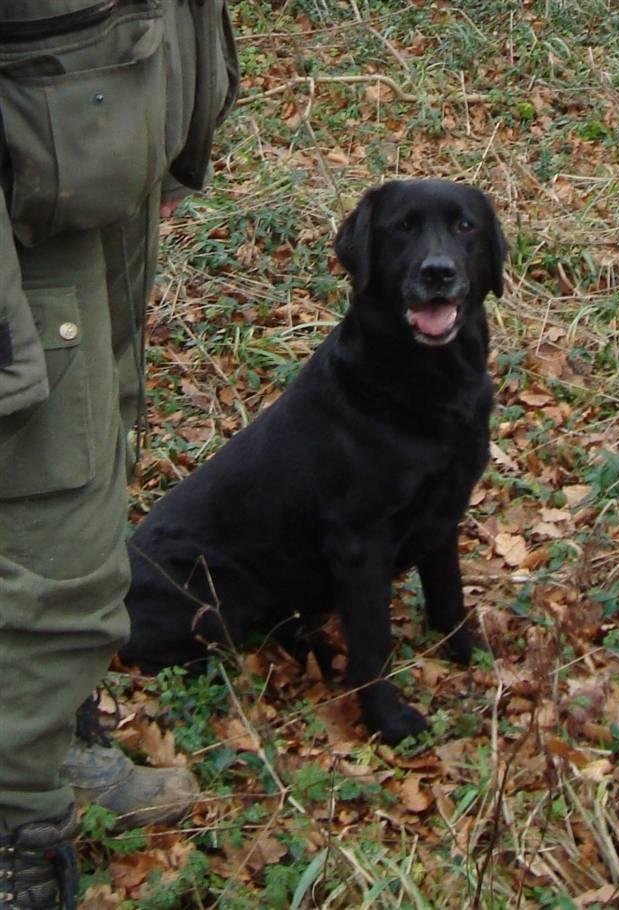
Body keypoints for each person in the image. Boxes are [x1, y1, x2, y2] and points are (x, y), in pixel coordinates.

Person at [0, 2, 239, 907]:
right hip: (20, 230)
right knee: (42, 533)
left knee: (94, 471)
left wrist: (180, 125)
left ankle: (55, 741)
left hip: (85, 170)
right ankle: (15, 839)